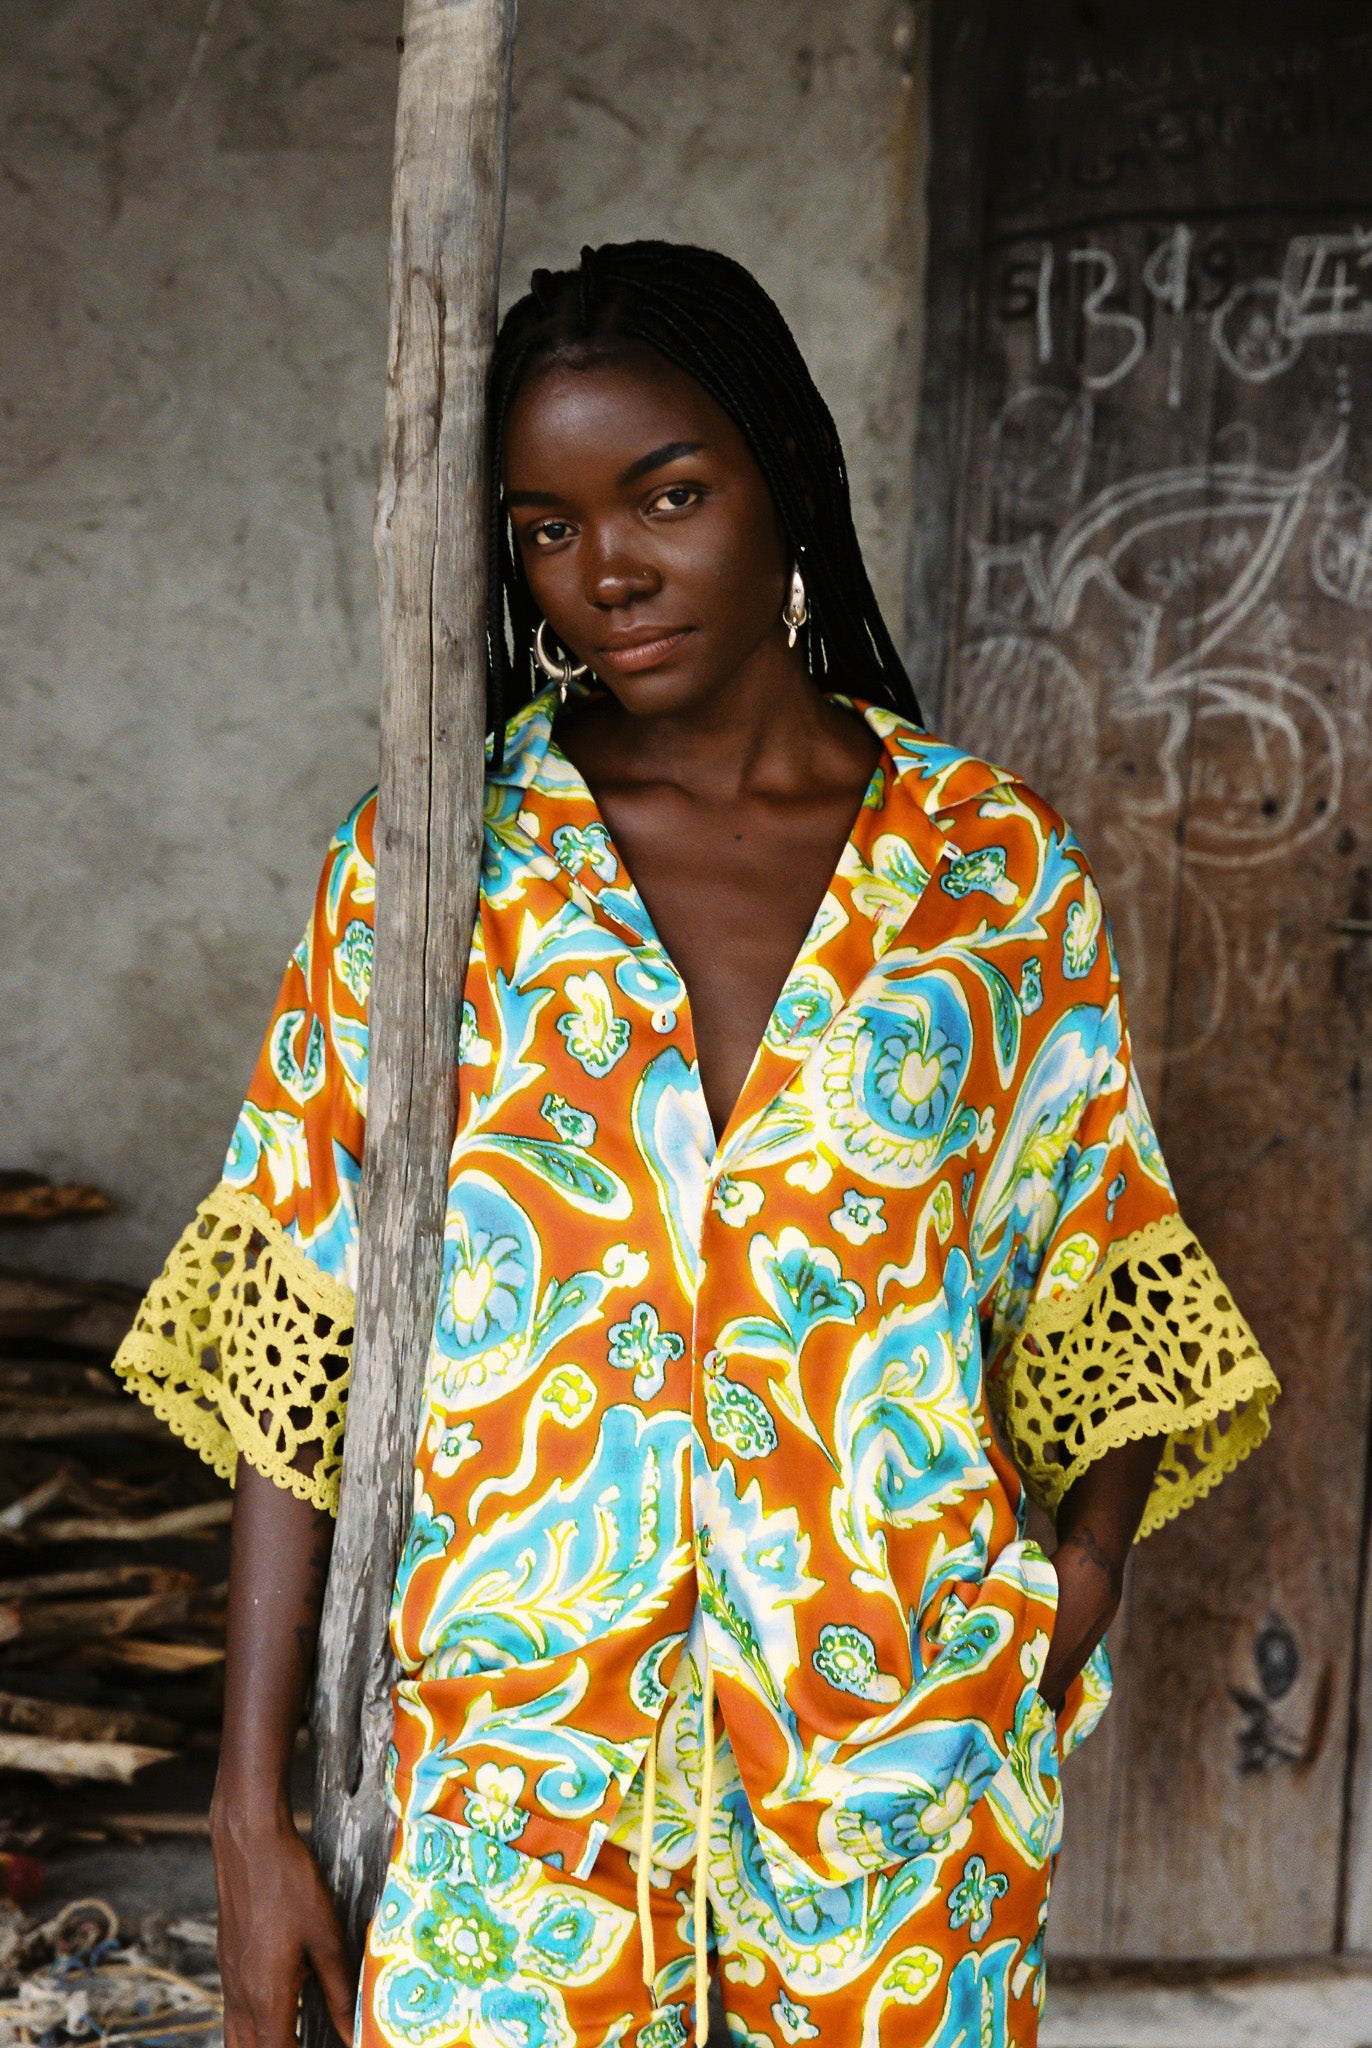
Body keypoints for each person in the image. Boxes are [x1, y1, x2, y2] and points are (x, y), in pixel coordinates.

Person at [114, 242, 1280, 2048]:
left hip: (893, 1788)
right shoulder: (434, 871)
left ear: (782, 485)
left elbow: (1102, 1253)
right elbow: (298, 1333)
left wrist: (1088, 1571)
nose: (609, 574)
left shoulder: (987, 872)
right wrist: (244, 1816)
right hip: (523, 1799)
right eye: (547, 527)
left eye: (669, 495)